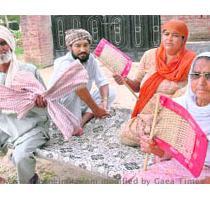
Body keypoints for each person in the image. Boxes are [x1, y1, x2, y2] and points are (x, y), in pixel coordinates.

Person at [123, 52, 210, 184]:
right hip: (179, 167)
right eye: (196, 75)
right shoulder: (180, 106)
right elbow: (170, 154)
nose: (201, 82)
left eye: (209, 76)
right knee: (137, 181)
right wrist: (154, 148)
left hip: (205, 174)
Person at [113, 19, 196, 146]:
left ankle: (161, 140)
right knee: (126, 137)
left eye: (175, 35)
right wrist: (125, 81)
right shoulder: (149, 55)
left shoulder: (192, 61)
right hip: (147, 114)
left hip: (172, 116)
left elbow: (193, 93)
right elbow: (136, 86)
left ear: (183, 40)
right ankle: (156, 139)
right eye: (166, 34)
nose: (169, 38)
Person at [0, 25, 49, 183]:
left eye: (2, 43)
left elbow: (47, 99)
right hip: (5, 125)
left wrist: (41, 102)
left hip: (33, 125)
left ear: (11, 44)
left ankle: (30, 182)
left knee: (21, 157)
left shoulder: (28, 70)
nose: (0, 49)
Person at [50, 29, 116, 127]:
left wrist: (104, 102)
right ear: (70, 47)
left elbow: (102, 82)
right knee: (73, 91)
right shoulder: (64, 63)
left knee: (111, 91)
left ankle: (82, 121)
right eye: (78, 46)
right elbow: (80, 88)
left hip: (83, 102)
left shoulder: (91, 59)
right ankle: (77, 121)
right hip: (64, 104)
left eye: (85, 45)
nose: (83, 50)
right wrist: (96, 110)